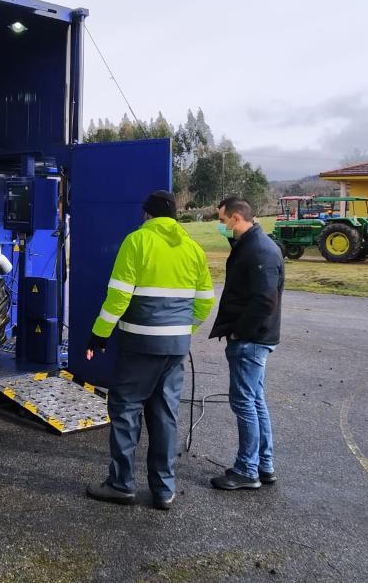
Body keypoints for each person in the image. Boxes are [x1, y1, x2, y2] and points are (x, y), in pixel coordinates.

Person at [85, 190, 215, 510]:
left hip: (140, 345)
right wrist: (185, 330)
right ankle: (164, 491)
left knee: (127, 410)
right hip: (175, 347)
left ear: (147, 215)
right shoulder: (193, 248)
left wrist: (98, 336)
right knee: (165, 414)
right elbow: (205, 301)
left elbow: (118, 297)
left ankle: (121, 485)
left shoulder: (137, 242)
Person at [209, 196, 283, 490]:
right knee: (255, 401)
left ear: (237, 218)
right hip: (255, 338)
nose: (220, 226)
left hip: (251, 340)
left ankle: (247, 469)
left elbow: (265, 299)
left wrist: (241, 332)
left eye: (222, 220)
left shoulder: (260, 250)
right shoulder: (252, 245)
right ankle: (264, 465)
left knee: (244, 404)